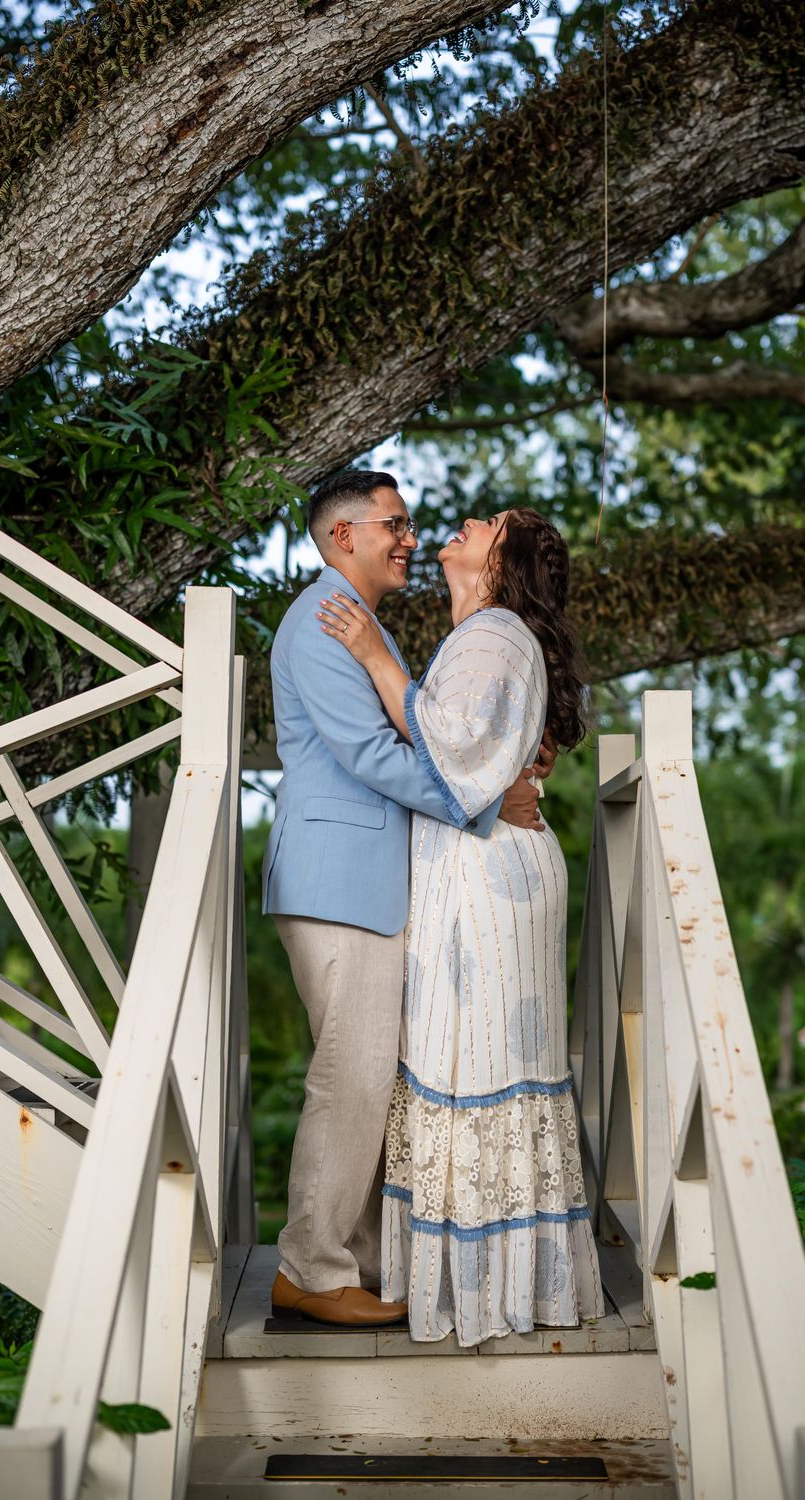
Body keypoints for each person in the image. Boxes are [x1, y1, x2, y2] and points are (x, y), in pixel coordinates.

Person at [262, 471, 550, 1328]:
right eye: (393, 524)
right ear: (342, 535)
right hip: (336, 878)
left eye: (411, 523)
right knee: (348, 1076)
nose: (410, 538)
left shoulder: (362, 627)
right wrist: (490, 799)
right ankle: (311, 1270)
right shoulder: (323, 624)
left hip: (363, 883)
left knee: (370, 1076)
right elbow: (373, 758)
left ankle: (355, 1262)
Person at [318, 505, 605, 1345]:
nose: (466, 520)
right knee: (479, 1064)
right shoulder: (490, 636)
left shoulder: (493, 633)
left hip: (487, 882)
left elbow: (450, 748)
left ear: (504, 558)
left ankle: (482, 1295)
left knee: (474, 1064)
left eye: (489, 522)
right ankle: (494, 1281)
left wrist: (373, 655)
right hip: (488, 867)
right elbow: (484, 753)